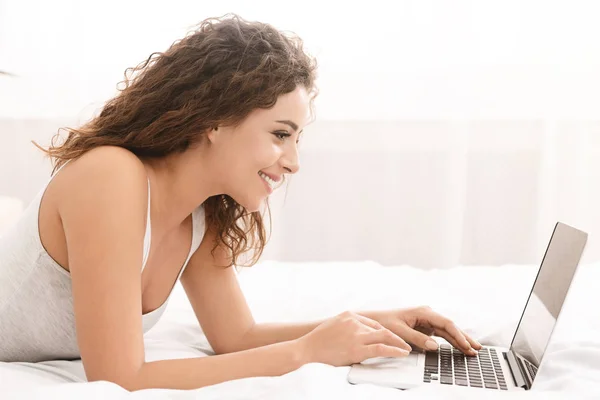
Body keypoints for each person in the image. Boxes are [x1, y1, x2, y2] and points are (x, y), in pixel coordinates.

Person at [0, 14, 481, 391]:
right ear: (213, 120)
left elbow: (236, 338)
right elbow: (120, 378)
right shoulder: (112, 176)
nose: (292, 163)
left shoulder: (200, 210)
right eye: (279, 135)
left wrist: (372, 323)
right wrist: (305, 354)